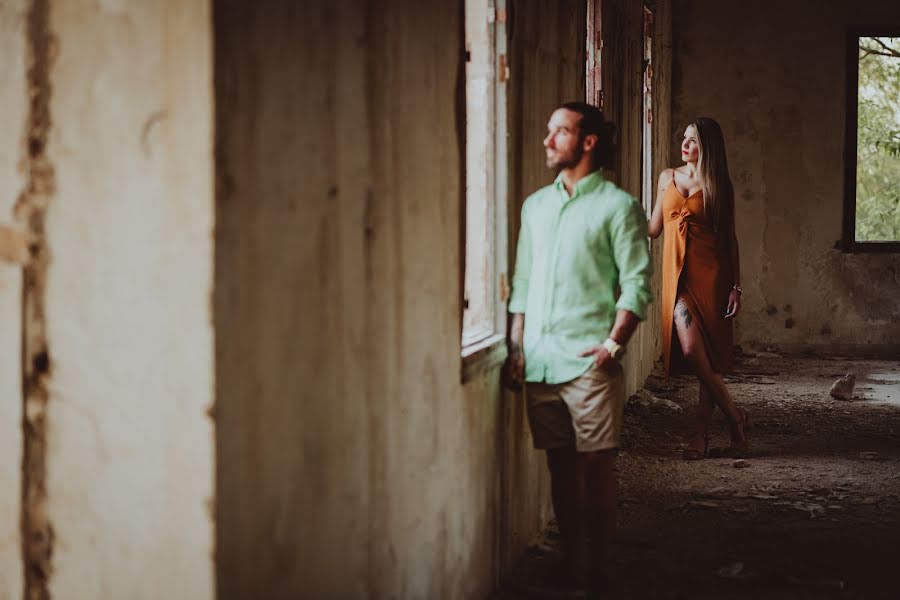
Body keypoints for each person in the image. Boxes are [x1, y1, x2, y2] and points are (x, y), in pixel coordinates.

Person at [502, 101, 651, 593]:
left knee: (594, 466)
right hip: (540, 361)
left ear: (587, 141)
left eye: (558, 132)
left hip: (591, 361)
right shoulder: (535, 207)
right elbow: (522, 281)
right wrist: (516, 345)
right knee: (560, 466)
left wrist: (614, 343)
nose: (547, 141)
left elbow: (636, 284)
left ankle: (600, 568)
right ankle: (572, 564)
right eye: (548, 132)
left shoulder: (618, 206)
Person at [647, 117, 748, 460]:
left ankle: (700, 435)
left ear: (708, 148)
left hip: (713, 277)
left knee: (708, 360)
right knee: (691, 352)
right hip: (679, 278)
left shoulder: (719, 184)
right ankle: (735, 415)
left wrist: (736, 286)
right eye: (685, 138)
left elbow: (729, 239)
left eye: (693, 141)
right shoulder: (666, 178)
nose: (685, 144)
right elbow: (653, 228)